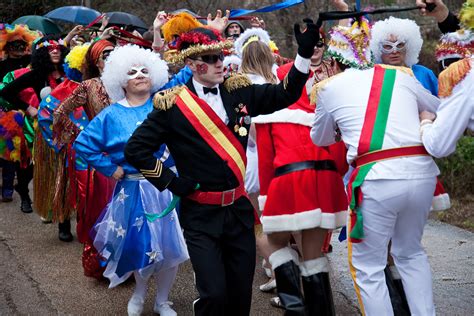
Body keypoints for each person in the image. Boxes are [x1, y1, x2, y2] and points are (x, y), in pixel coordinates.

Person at [124, 21, 320, 315]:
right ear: (191, 64)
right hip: (200, 215)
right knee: (214, 294)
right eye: (211, 59)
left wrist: (304, 54)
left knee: (241, 297)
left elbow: (285, 94)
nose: (220, 63)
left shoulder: (238, 92)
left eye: (221, 56)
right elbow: (135, 150)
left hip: (238, 211)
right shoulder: (172, 105)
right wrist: (172, 182)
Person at [310, 18, 441, 316]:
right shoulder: (401, 76)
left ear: (333, 63)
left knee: (368, 267)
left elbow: (320, 137)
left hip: (377, 178)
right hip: (422, 174)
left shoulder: (328, 89)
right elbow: (436, 109)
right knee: (411, 254)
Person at [74, 45, 188, 316]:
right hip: (133, 189)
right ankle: (138, 294)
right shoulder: (111, 115)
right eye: (132, 71)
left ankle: (163, 301)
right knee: (143, 246)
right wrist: (109, 168)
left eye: (145, 70)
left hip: (168, 186)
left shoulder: (164, 105)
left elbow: (188, 75)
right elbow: (83, 143)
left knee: (172, 245)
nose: (139, 75)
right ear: (120, 80)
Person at [53, 39, 116, 276]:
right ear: (96, 61)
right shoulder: (88, 86)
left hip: (128, 159)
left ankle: (127, 265)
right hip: (100, 162)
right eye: (105, 54)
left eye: (114, 52)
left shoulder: (129, 83)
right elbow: (60, 113)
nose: (111, 57)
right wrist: (84, 135)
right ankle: (100, 263)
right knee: (100, 211)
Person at [0, 35, 69, 214]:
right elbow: (6, 92)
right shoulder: (36, 75)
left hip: (64, 127)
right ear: (42, 53)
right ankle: (23, 191)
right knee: (31, 166)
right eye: (50, 48)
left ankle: (59, 210)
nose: (55, 51)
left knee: (60, 166)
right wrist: (27, 107)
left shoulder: (69, 74)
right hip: (39, 127)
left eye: (58, 48)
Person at [0, 24, 39, 203]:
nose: (19, 48)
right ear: (6, 47)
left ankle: (18, 185)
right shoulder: (2, 66)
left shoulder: (32, 62)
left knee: (25, 154)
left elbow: (54, 54)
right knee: (8, 152)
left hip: (29, 114)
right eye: (14, 45)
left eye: (22, 44)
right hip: (6, 113)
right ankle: (7, 187)